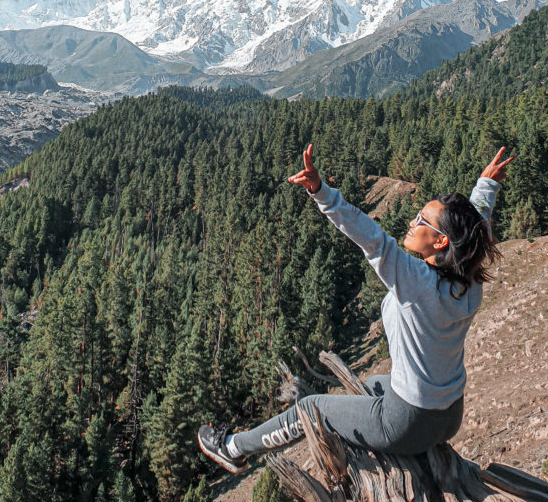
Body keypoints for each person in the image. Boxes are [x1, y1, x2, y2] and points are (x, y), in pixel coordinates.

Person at [198, 144, 515, 473]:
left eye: (422, 220)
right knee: (377, 383)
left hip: (409, 422)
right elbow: (478, 225)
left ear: (440, 242)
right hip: (449, 413)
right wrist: (486, 184)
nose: (412, 220)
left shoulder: (418, 282)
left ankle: (233, 448)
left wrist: (321, 192)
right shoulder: (469, 278)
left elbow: (372, 238)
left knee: (309, 408)